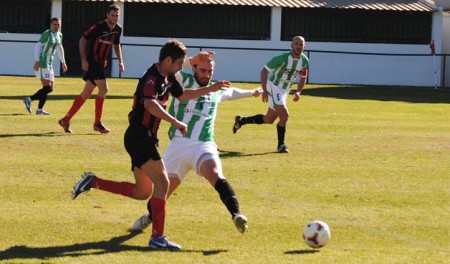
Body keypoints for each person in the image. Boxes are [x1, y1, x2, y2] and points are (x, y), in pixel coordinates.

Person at [70, 40, 230, 251]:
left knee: (142, 192)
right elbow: (149, 103)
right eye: (180, 62)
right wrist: (175, 121)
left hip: (144, 137)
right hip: (140, 135)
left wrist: (212, 87)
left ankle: (93, 182)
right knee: (163, 184)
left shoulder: (168, 75)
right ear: (168, 60)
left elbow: (182, 96)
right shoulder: (152, 78)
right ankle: (157, 237)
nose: (183, 66)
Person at [130, 51, 262, 235]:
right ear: (194, 68)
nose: (206, 75)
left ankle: (236, 214)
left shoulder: (217, 89)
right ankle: (149, 217)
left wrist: (253, 92)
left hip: (203, 145)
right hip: (178, 145)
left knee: (215, 174)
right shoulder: (181, 80)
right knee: (160, 195)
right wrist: (192, 59)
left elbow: (232, 92)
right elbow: (166, 69)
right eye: (202, 70)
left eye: (209, 71)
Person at [232, 36, 309, 153]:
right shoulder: (282, 58)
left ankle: (241, 120)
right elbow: (264, 71)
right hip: (274, 86)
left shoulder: (304, 61)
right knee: (284, 115)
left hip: (285, 91)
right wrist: (265, 90)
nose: (298, 46)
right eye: (296, 44)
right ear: (291, 45)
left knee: (269, 119)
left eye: (301, 44)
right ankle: (281, 145)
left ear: (304, 46)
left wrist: (298, 91)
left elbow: (303, 77)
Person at [58, 4, 125, 134]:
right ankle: (97, 123)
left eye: (117, 16)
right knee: (104, 89)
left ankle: (65, 120)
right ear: (107, 15)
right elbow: (82, 40)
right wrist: (83, 60)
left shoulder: (118, 29)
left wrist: (121, 61)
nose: (115, 18)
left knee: (87, 93)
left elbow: (116, 45)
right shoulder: (98, 27)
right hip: (92, 62)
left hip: (100, 64)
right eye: (112, 15)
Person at [23, 17, 68, 115]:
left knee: (50, 88)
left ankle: (37, 108)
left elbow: (60, 48)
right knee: (47, 87)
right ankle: (31, 101)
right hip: (43, 62)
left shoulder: (59, 35)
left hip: (50, 63)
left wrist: (63, 62)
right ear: (51, 25)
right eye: (54, 24)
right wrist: (37, 61)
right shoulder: (47, 34)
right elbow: (38, 45)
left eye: (58, 24)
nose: (56, 26)